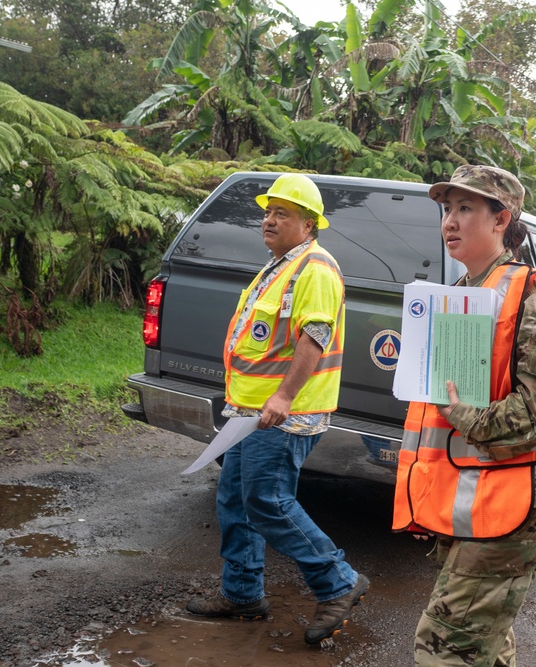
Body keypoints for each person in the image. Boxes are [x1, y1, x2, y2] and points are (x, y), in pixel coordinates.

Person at [393, 165, 536, 666]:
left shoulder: (531, 294)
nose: (450, 222)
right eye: (446, 210)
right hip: (475, 497)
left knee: (446, 649)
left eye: (465, 209)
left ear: (502, 219)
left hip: (515, 500)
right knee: (486, 644)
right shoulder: (462, 292)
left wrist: (462, 413)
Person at [185, 173, 369, 645]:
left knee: (266, 501)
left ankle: (338, 581)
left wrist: (284, 396)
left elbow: (317, 337)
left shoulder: (316, 269)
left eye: (281, 213)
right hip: (248, 412)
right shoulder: (279, 265)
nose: (268, 220)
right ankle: (242, 594)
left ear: (308, 224)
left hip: (286, 415)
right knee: (234, 500)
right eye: (267, 212)